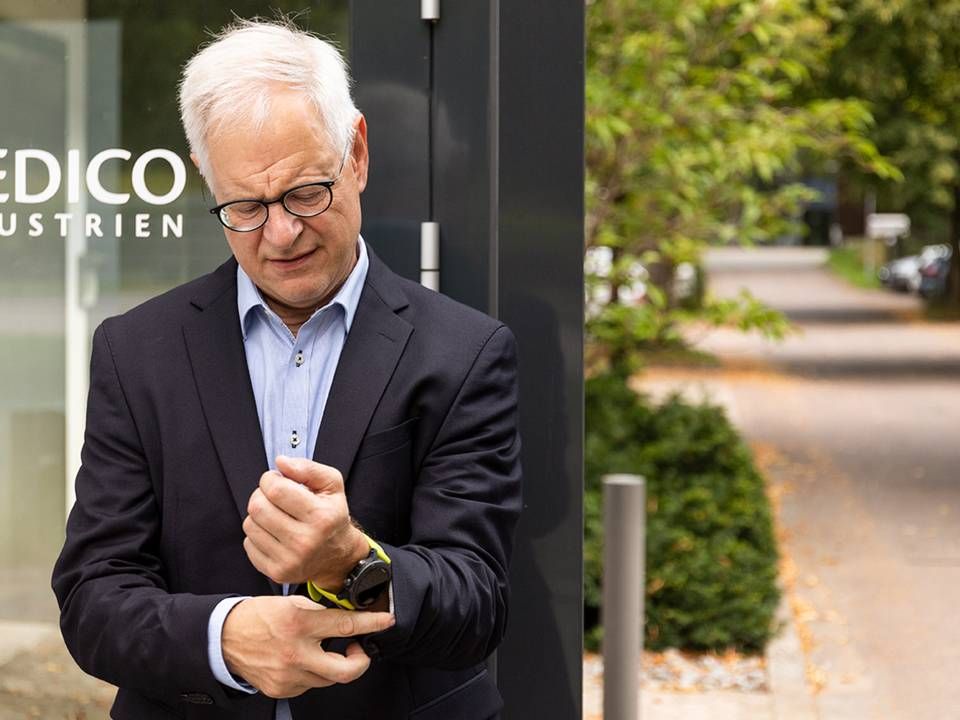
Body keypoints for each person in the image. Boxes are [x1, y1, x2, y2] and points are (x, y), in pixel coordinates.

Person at [52, 18, 522, 720]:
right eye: (244, 206)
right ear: (205, 180)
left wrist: (349, 564)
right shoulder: (135, 351)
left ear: (355, 153)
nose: (281, 232)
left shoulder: (464, 352)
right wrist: (224, 639)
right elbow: (94, 595)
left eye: (305, 193)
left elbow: (477, 604)